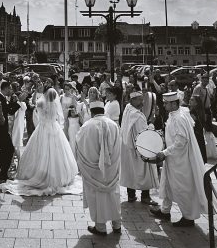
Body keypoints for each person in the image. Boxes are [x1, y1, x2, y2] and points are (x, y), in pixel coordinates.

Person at [145, 91, 207, 226]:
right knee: (167, 183)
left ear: (174, 103)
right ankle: (165, 211)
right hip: (172, 158)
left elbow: (181, 141)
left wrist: (165, 152)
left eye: (166, 103)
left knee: (182, 187)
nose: (164, 105)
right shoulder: (174, 115)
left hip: (180, 161)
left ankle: (189, 218)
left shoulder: (179, 118)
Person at [14, 88, 78, 195]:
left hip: (43, 128)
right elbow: (58, 117)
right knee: (56, 151)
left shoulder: (41, 104)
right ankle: (58, 175)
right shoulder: (55, 105)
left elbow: (35, 106)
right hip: (54, 128)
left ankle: (39, 173)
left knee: (40, 150)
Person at [75, 98, 122, 236]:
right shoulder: (114, 125)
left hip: (93, 171)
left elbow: (80, 146)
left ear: (91, 111)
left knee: (97, 196)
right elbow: (118, 147)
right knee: (113, 194)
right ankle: (117, 224)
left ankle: (100, 227)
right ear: (103, 111)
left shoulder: (87, 126)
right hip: (111, 169)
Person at [120, 91, 158, 204]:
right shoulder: (138, 116)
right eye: (140, 100)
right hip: (139, 149)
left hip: (128, 148)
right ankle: (145, 197)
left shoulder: (128, 109)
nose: (143, 102)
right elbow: (145, 133)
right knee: (145, 171)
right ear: (133, 100)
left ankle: (131, 196)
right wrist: (151, 123)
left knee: (130, 171)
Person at [0, 80, 16, 180]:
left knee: (5, 150)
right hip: (0, 129)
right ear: (6, 88)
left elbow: (8, 109)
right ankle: (2, 172)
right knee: (9, 149)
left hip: (2, 129)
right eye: (10, 88)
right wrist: (15, 103)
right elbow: (8, 111)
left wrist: (12, 102)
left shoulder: (2, 97)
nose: (11, 90)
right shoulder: (0, 98)